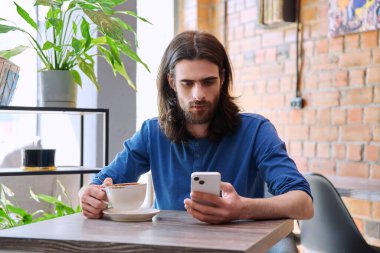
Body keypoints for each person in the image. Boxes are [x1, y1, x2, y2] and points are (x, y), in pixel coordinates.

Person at [80, 30, 314, 225]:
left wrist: (242, 208)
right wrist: (87, 195)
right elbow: (99, 184)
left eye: (208, 81)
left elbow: (303, 204)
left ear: (222, 79)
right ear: (172, 83)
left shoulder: (256, 131)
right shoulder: (152, 133)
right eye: (187, 83)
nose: (198, 94)